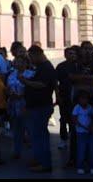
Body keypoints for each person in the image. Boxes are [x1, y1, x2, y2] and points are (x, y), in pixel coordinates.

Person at [20, 45, 56, 173]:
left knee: (41, 135)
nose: (31, 60)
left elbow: (42, 84)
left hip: (41, 106)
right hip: (34, 106)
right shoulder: (40, 67)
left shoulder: (46, 68)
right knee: (35, 135)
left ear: (37, 54)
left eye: (31, 57)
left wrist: (26, 82)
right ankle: (38, 158)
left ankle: (45, 163)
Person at [7, 55, 32, 160]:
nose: (19, 64)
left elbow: (31, 89)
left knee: (29, 128)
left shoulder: (31, 74)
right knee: (16, 129)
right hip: (13, 104)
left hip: (25, 104)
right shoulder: (12, 74)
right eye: (17, 61)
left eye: (22, 62)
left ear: (26, 63)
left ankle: (34, 154)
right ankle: (16, 150)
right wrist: (10, 93)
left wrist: (22, 95)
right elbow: (8, 87)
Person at [55, 47, 79, 151]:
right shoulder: (61, 66)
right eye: (69, 53)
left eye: (74, 53)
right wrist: (57, 96)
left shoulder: (78, 66)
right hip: (64, 95)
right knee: (63, 118)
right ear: (65, 55)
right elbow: (55, 82)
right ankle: (63, 139)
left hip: (76, 96)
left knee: (75, 118)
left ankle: (74, 137)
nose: (72, 55)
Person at [72, 90, 93, 175]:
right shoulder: (77, 108)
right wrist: (84, 127)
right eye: (82, 99)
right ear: (79, 99)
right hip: (81, 133)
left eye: (86, 99)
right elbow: (74, 119)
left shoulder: (90, 108)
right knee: (81, 150)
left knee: (92, 150)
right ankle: (80, 167)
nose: (84, 100)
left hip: (90, 133)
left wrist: (91, 126)